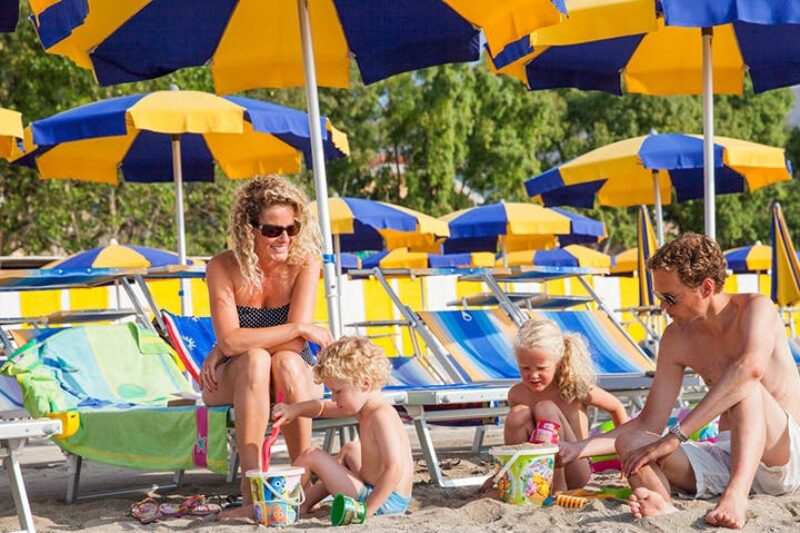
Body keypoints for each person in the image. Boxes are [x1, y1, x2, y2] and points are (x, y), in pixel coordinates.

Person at [558, 233, 800, 529]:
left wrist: (675, 438)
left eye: (670, 298)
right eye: (660, 297)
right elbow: (649, 421)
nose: (663, 307)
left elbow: (748, 371)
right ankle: (662, 506)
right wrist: (577, 449)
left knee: (744, 384)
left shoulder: (755, 309)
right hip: (727, 452)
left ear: (706, 288)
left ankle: (736, 497)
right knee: (631, 442)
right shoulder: (676, 337)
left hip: (782, 457)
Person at [200, 175, 333, 519]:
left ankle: (302, 476)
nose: (285, 238)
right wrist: (299, 326)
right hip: (240, 376)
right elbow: (230, 340)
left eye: (292, 228)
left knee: (286, 360)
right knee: (257, 359)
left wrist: (236, 342)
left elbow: (292, 343)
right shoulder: (222, 267)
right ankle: (250, 484)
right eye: (273, 230)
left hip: (291, 371)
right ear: (249, 229)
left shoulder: (306, 263)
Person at [272, 336, 413, 517]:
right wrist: (294, 410)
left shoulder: (381, 415)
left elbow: (394, 469)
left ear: (364, 384)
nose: (333, 398)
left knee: (310, 455)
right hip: (380, 492)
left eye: (338, 391)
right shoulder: (365, 408)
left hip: (382, 501)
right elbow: (322, 408)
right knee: (350, 449)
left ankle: (278, 504)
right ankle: (304, 502)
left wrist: (366, 511)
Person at [498, 318, 629, 492]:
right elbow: (518, 434)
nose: (533, 375)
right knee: (517, 414)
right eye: (525, 368)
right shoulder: (517, 394)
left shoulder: (573, 386)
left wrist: (627, 456)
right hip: (535, 474)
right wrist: (498, 474)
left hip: (574, 468)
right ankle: (512, 477)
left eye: (541, 368)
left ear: (558, 362)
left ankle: (558, 485)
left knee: (546, 407)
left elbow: (616, 407)